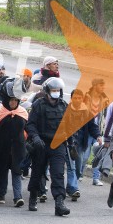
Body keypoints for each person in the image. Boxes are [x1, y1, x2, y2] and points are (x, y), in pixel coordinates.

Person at [25, 77, 71, 216]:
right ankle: (33, 196)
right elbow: (30, 124)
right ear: (47, 91)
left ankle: (59, 203)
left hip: (58, 144)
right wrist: (36, 138)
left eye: (58, 90)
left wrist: (71, 142)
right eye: (53, 90)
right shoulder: (39, 104)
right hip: (42, 144)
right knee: (37, 172)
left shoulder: (63, 105)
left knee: (58, 174)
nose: (56, 93)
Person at [0, 80, 28, 207]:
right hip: (2, 148)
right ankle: (1, 195)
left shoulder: (23, 113)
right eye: (11, 100)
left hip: (18, 148)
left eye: (15, 100)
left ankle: (17, 197)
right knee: (2, 171)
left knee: (17, 172)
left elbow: (28, 129)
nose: (13, 103)